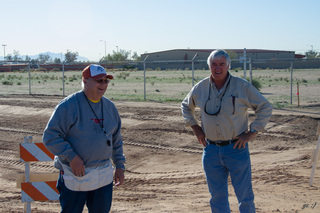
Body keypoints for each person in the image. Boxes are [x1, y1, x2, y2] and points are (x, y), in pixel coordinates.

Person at [181, 49, 272, 213]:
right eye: (214, 64)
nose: (217, 68)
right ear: (209, 66)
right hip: (211, 150)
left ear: (228, 65)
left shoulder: (242, 86)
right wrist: (196, 129)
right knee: (217, 197)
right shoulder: (200, 87)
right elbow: (185, 106)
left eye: (221, 64)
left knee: (245, 196)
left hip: (236, 149)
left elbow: (265, 107)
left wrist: (252, 133)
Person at [43, 64, 126, 213]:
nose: (103, 84)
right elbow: (50, 137)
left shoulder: (110, 108)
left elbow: (116, 139)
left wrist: (120, 165)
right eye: (99, 80)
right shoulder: (69, 106)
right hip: (75, 176)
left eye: (106, 81)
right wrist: (72, 157)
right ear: (85, 81)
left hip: (103, 176)